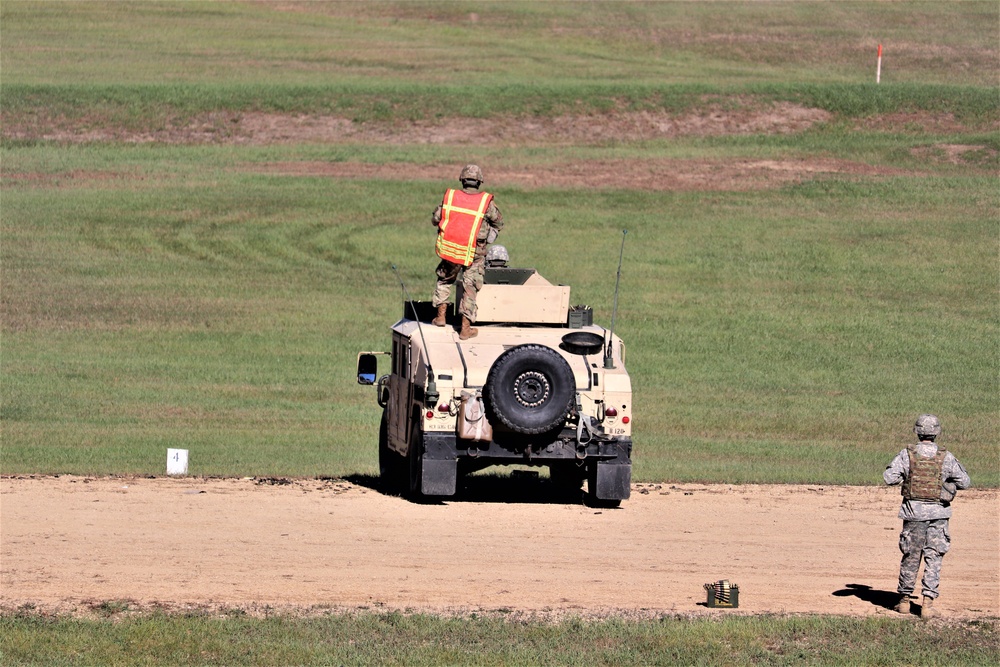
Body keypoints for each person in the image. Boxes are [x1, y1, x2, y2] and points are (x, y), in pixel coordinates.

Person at [883, 414, 970, 618]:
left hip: (913, 514)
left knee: (911, 556)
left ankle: (904, 601)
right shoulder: (945, 457)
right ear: (937, 432)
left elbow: (889, 478)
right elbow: (965, 482)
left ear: (917, 431)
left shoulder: (907, 454)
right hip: (939, 514)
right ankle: (927, 605)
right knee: (934, 556)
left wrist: (908, 477)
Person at [430, 164, 504, 340]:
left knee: (445, 279)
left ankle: (440, 317)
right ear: (479, 182)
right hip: (475, 253)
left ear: (462, 180)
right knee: (470, 287)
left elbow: (435, 219)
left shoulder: (451, 197)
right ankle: (465, 328)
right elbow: (499, 223)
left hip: (451, 249)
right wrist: (488, 237)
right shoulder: (486, 203)